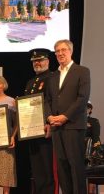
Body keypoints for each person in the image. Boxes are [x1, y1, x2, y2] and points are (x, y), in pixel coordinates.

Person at [45, 39, 90, 194]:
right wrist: (50, 117)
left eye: (63, 50)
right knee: (62, 167)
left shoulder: (82, 71)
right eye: (57, 51)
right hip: (56, 127)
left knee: (75, 165)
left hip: (73, 125)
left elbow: (82, 98)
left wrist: (65, 116)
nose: (60, 53)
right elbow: (48, 100)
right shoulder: (53, 76)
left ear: (71, 51)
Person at [24, 48, 56, 194]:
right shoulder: (31, 82)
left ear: (47, 61)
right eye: (35, 61)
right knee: (37, 170)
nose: (37, 63)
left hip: (45, 130)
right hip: (31, 131)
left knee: (47, 169)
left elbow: (53, 103)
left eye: (40, 60)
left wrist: (50, 124)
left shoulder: (53, 77)